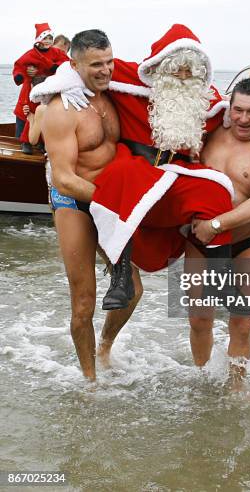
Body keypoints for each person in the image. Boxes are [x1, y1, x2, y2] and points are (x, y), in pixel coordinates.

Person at [32, 25, 235, 280]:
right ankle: (120, 277)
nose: (183, 76)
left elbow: (240, 111)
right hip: (96, 189)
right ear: (160, 66)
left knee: (215, 189)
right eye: (176, 69)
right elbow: (81, 64)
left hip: (153, 184)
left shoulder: (204, 100)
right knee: (84, 301)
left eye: (189, 71)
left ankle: (223, 276)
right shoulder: (123, 84)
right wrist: (66, 82)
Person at [41, 30, 143, 381]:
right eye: (96, 64)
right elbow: (65, 177)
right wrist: (112, 202)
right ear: (74, 64)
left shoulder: (116, 97)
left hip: (109, 202)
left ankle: (105, 345)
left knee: (132, 288)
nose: (106, 70)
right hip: (73, 201)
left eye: (110, 61)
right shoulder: (61, 109)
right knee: (84, 300)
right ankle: (90, 381)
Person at [190, 78, 250, 383]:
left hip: (245, 242)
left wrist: (215, 225)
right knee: (200, 319)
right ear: (229, 109)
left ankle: (236, 387)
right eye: (238, 110)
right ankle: (203, 379)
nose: (244, 119)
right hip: (200, 245)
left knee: (242, 323)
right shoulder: (208, 136)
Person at [13, 23, 69, 153]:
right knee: (27, 114)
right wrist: (21, 75)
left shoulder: (58, 56)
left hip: (48, 95)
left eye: (50, 38)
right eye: (46, 38)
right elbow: (19, 65)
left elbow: (66, 65)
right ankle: (25, 143)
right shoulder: (31, 54)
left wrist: (53, 67)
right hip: (30, 94)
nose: (48, 42)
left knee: (47, 118)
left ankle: (43, 143)